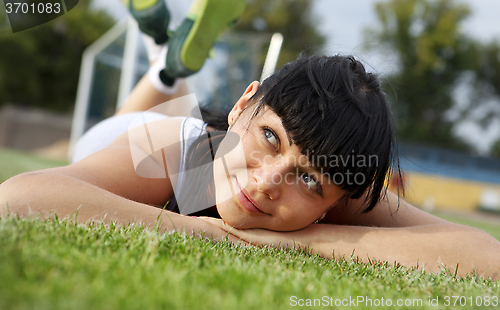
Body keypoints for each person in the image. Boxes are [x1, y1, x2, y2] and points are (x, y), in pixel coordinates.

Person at [1, 0, 500, 280]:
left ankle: (171, 64)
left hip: (214, 133)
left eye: (307, 179)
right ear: (245, 103)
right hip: (135, 137)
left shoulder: (340, 179)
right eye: (270, 137)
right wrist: (216, 233)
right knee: (124, 125)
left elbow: (487, 259)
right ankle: (167, 65)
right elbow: (20, 197)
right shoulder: (177, 145)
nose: (267, 183)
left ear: (335, 200)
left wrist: (312, 240)